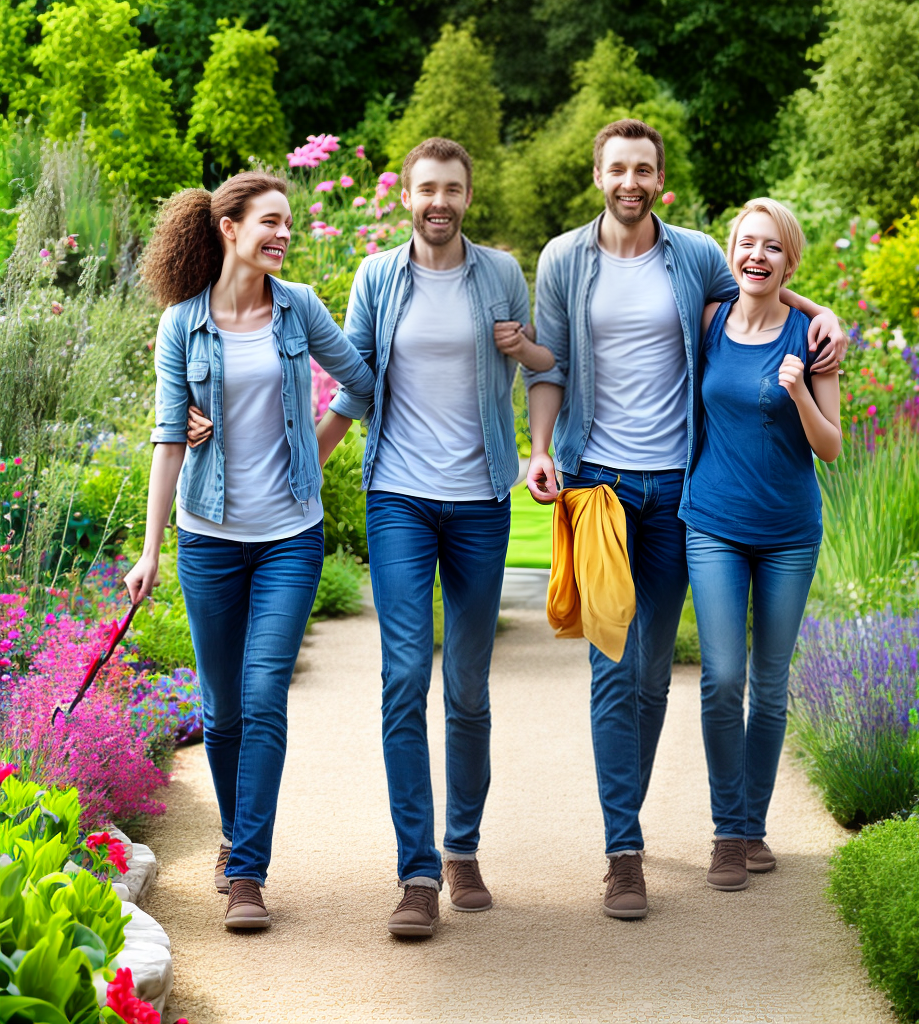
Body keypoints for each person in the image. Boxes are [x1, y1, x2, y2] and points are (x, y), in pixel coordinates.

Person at [522, 119, 847, 919]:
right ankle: (622, 850)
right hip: (598, 484)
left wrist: (824, 307)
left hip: (677, 492)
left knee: (652, 673)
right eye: (617, 169)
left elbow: (759, 281)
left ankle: (691, 825)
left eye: (644, 169)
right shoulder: (564, 259)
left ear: (659, 178)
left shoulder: (695, 252)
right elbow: (552, 361)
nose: (630, 181)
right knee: (610, 667)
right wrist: (539, 448)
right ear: (598, 174)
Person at [315, 137, 554, 938]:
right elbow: (355, 384)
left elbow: (537, 364)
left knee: (469, 688)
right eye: (426, 188)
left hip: (482, 499)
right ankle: (417, 873)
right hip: (399, 500)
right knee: (405, 674)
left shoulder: (502, 275)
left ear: (468, 195)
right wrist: (302, 461)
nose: (438, 201)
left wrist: (524, 353)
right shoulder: (378, 277)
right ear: (407, 197)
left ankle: (463, 848)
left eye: (452, 187)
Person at [124, 171, 376, 931]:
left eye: (289, 223)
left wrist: (316, 454)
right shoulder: (183, 325)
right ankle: (237, 839)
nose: (284, 234)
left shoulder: (298, 309)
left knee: (263, 698)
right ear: (228, 228)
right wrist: (149, 551)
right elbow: (171, 439)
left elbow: (359, 383)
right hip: (208, 539)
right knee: (222, 709)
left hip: (289, 538)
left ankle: (247, 874)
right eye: (270, 221)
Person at [680, 198, 841, 891]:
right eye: (747, 244)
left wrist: (802, 392)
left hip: (788, 534)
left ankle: (751, 826)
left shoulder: (811, 337)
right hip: (713, 521)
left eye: (772, 248)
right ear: (731, 252)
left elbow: (831, 447)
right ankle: (725, 832)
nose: (757, 256)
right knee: (721, 678)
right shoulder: (711, 319)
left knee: (769, 687)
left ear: (789, 260)